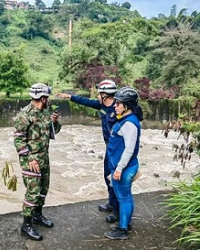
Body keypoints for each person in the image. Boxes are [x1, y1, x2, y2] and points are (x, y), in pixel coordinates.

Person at [56, 79, 119, 222]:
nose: (97, 96)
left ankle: (118, 212)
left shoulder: (119, 109)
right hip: (109, 147)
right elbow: (86, 101)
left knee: (116, 179)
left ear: (105, 95)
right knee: (107, 175)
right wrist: (70, 97)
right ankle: (111, 202)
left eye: (99, 94)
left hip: (117, 148)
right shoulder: (102, 105)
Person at [13, 83, 61, 241]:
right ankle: (26, 225)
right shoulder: (24, 115)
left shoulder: (45, 112)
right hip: (31, 160)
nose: (48, 100)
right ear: (42, 98)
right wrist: (29, 157)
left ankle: (37, 216)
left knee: (43, 188)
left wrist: (54, 122)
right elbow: (18, 139)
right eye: (47, 97)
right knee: (32, 192)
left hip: (44, 158)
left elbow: (54, 131)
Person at [104, 87, 143, 240]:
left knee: (124, 198)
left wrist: (119, 169)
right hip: (123, 166)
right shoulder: (126, 120)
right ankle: (126, 223)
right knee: (126, 196)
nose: (115, 105)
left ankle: (122, 230)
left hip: (125, 168)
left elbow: (129, 150)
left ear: (127, 106)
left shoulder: (130, 124)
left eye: (118, 103)